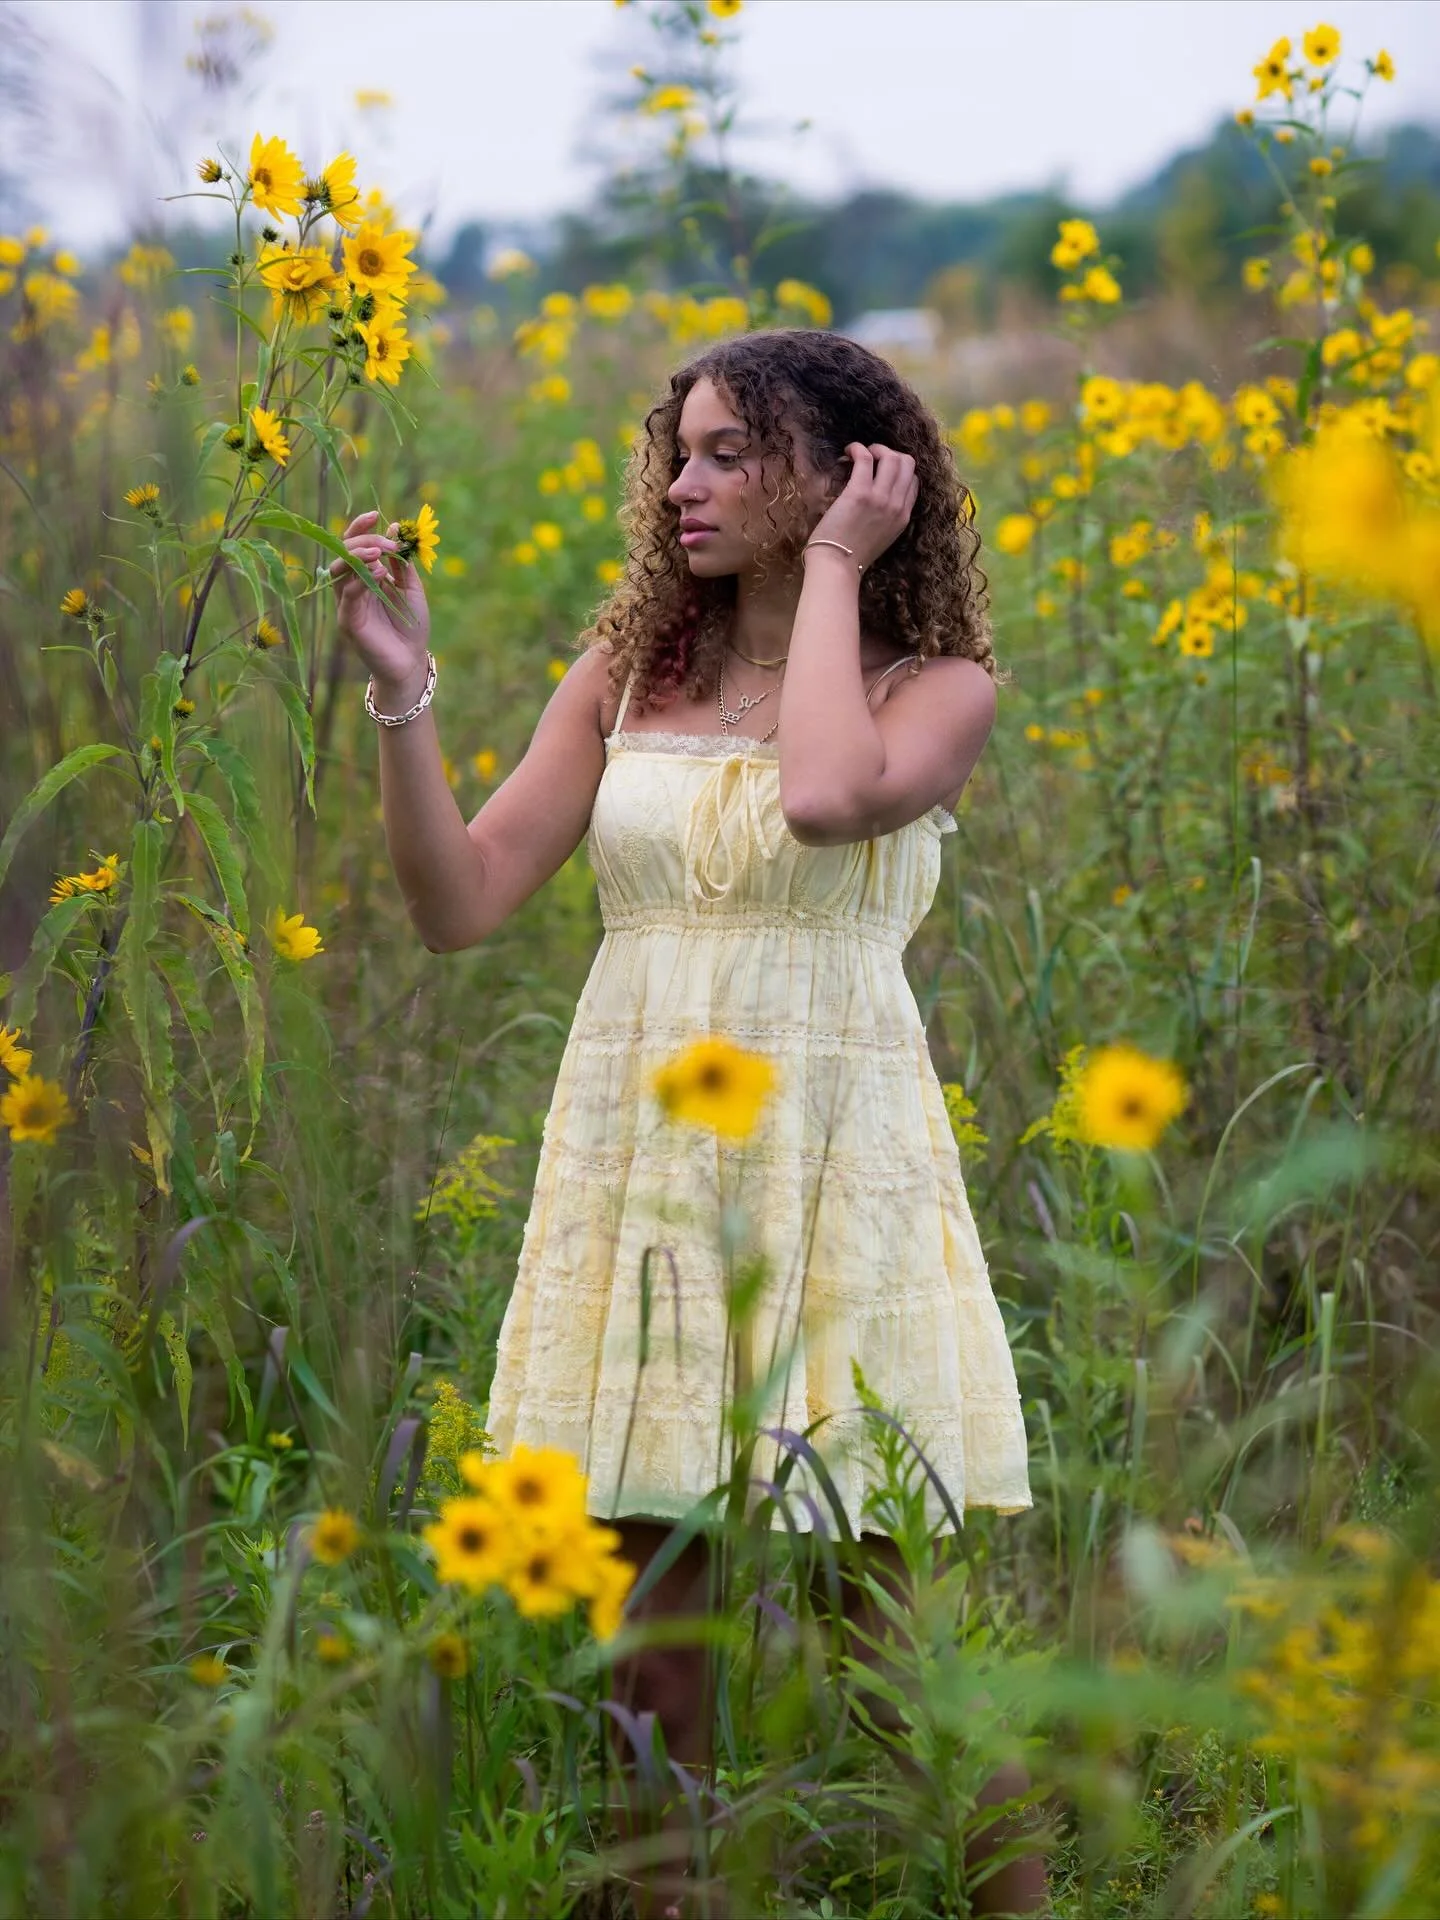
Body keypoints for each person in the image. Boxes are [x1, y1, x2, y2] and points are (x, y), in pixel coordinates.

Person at [332, 328, 1042, 1917]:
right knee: (651, 1657)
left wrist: (838, 569)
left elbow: (824, 797)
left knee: (889, 1639)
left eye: (733, 454)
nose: (683, 485)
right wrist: (403, 697)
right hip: (644, 1168)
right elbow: (461, 902)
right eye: (682, 452)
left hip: (831, 1172)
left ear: (847, 477)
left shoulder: (938, 690)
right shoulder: (624, 676)